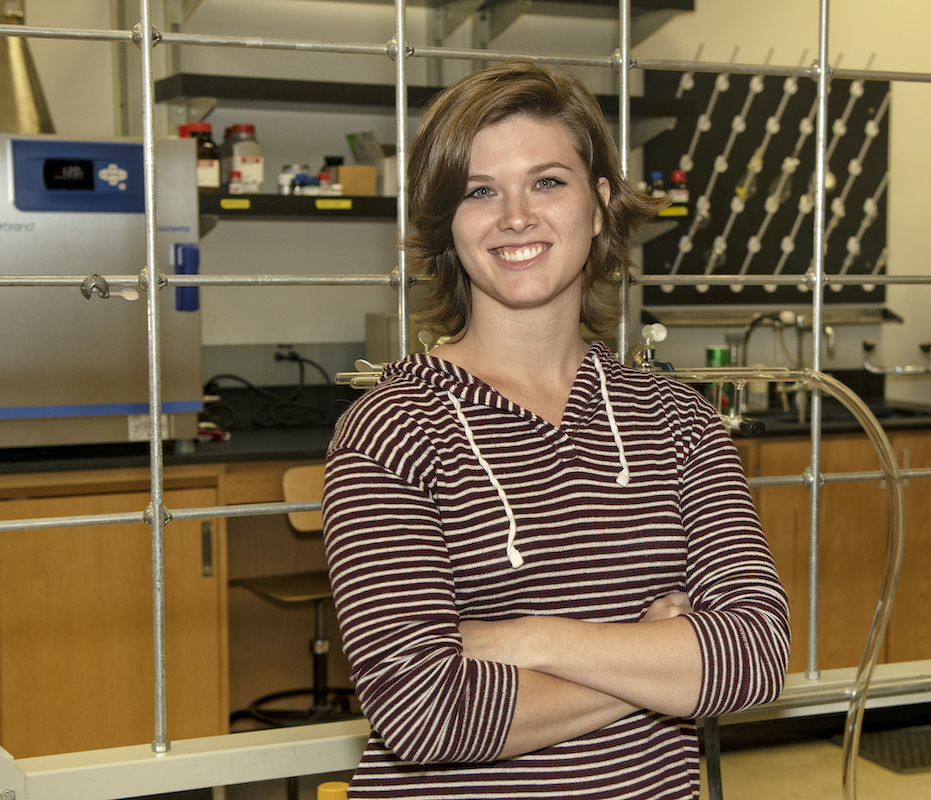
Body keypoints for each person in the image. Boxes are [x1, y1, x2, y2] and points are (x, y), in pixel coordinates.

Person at [321, 60, 790, 798]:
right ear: (449, 222)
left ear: (599, 204)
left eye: (547, 181)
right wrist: (659, 661)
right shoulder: (391, 428)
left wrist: (528, 641)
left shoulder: (680, 421)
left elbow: (757, 656)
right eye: (480, 191)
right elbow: (424, 711)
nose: (516, 216)